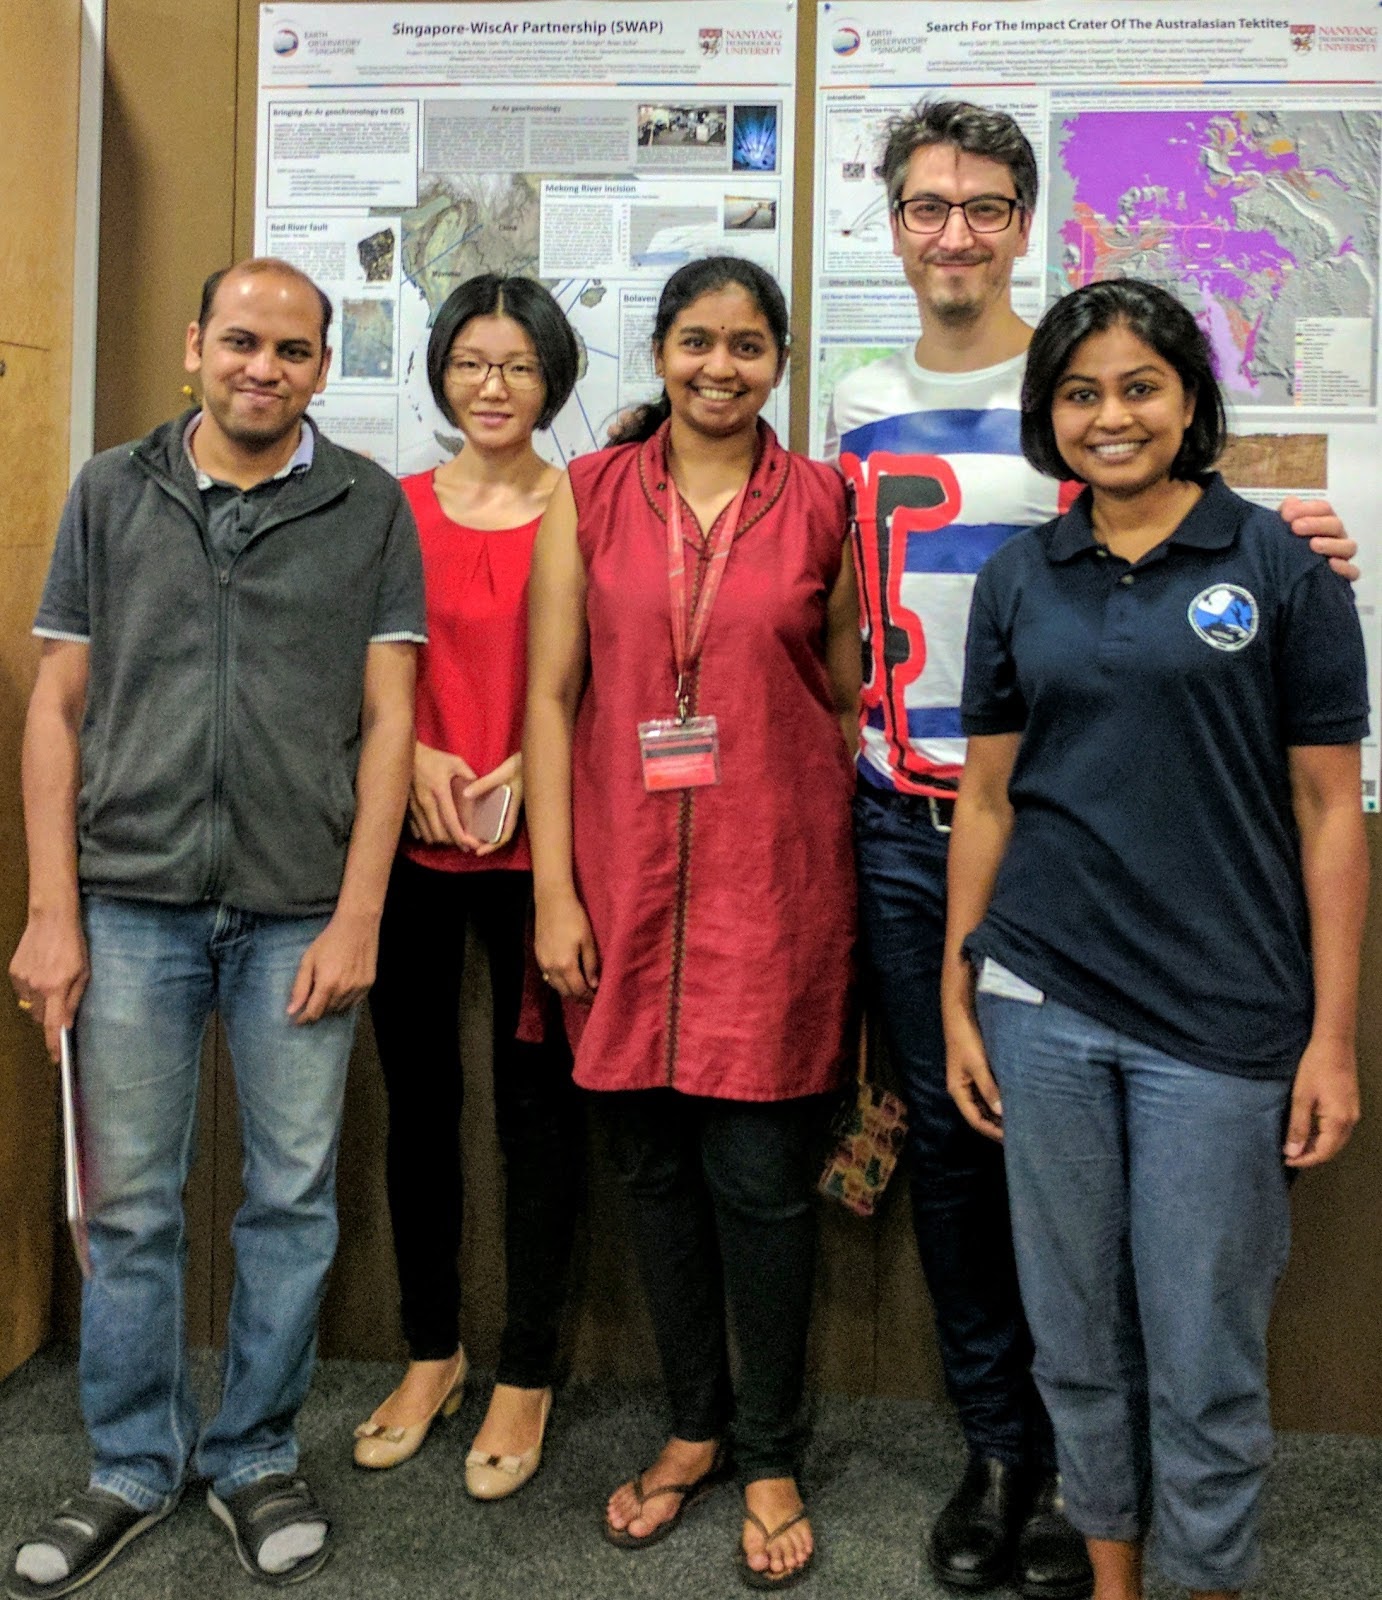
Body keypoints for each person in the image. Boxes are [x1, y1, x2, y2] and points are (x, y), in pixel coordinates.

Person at [821, 100, 1359, 1600]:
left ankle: (1126, 1509)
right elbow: (829, 601)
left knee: (1167, 1260)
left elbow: (1198, 564)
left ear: (1021, 219)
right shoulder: (856, 397)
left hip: (1114, 860)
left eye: (983, 205)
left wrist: (1301, 541)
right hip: (921, 832)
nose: (953, 230)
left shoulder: (1096, 405)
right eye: (927, 204)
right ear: (894, 220)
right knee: (957, 1160)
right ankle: (1007, 1457)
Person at [940, 276, 1368, 1600]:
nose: (1108, 415)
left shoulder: (1280, 568)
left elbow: (1327, 814)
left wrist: (1331, 1039)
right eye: (1078, 392)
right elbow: (989, 796)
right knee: (1071, 1338)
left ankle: (1208, 1584)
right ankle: (1115, 1583)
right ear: (1045, 415)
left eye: (1138, 386)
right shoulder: (1020, 578)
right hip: (1038, 998)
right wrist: (961, 993)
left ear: (1189, 401)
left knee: (1201, 1349)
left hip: (1223, 1020)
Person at [6, 258, 424, 1595]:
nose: (265, 367)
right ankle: (132, 1465)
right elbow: (57, 707)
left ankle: (250, 1454)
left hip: (301, 912)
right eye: (241, 341)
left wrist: (361, 914)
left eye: (294, 350)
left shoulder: (365, 506)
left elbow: (393, 723)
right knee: (129, 1206)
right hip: (128, 906)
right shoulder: (110, 492)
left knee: (290, 1202)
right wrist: (51, 912)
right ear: (194, 346)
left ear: (321, 365)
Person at [524, 256, 858, 1589]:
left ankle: (769, 1449)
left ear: (778, 361)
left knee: (762, 1188)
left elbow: (840, 697)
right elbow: (550, 698)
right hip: (615, 880)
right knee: (651, 1176)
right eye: (694, 342)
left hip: (772, 887)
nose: (720, 367)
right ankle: (692, 1426)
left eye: (747, 346)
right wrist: (554, 888)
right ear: (657, 354)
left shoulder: (824, 500)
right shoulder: (589, 493)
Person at [352, 274, 584, 1496]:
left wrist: (521, 770)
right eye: (471, 364)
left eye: (519, 366)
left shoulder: (585, 505)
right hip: (412, 844)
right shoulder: (387, 509)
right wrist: (425, 758)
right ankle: (431, 1350)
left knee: (539, 1118)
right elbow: (354, 668)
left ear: (553, 379)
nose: (492, 387)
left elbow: (608, 676)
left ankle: (527, 1368)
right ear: (441, 373)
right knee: (420, 1105)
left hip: (543, 853)